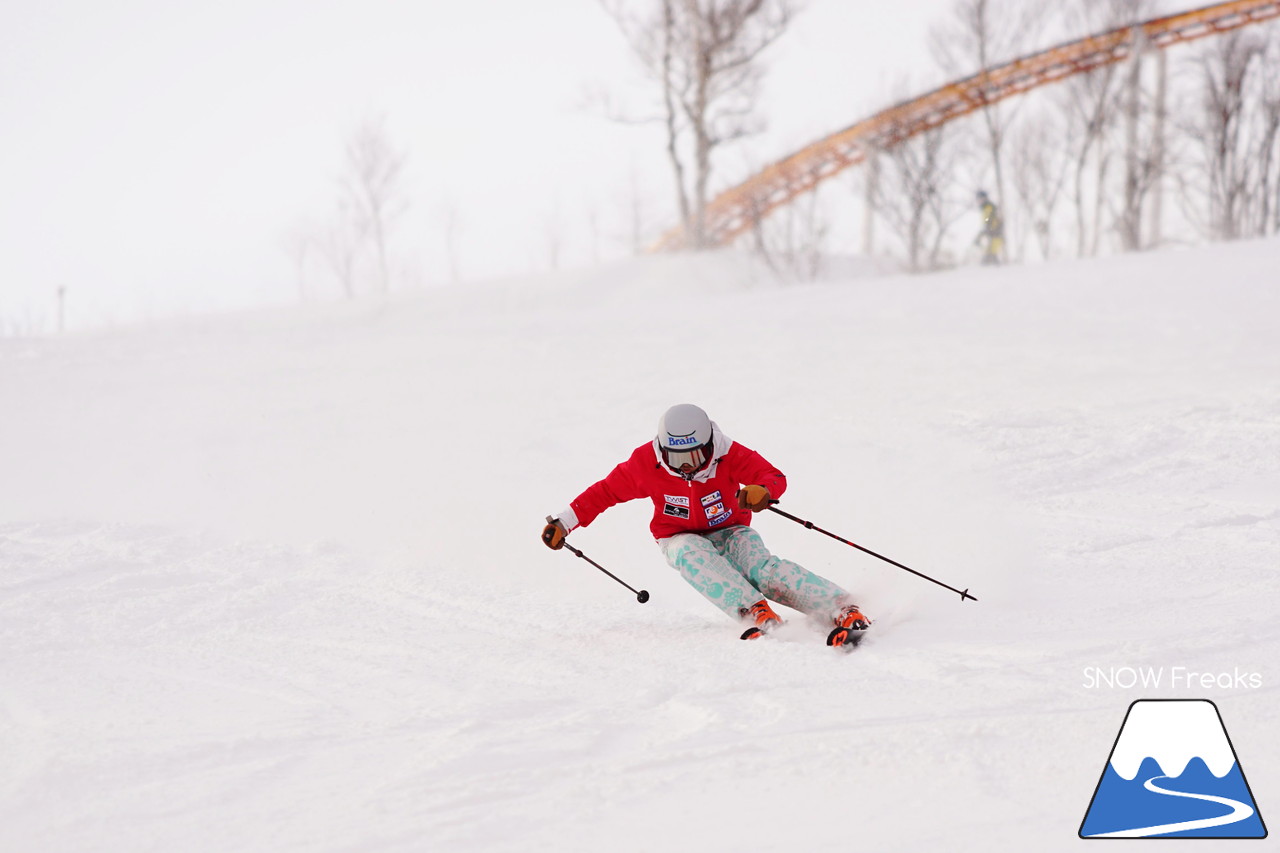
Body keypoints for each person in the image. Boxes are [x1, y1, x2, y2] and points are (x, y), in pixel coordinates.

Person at [541, 403, 870, 646]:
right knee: (690, 552)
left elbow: (773, 476)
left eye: (694, 457)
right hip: (677, 535)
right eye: (677, 458)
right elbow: (606, 491)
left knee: (762, 569)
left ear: (708, 445)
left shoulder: (728, 454)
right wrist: (565, 522)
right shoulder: (646, 463)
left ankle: (840, 607)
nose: (686, 467)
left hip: (732, 529)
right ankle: (755, 612)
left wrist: (763, 491)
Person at [974, 190, 1004, 266]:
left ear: (984, 198)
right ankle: (990, 263)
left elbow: (989, 218)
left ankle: (992, 265)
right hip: (993, 229)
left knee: (992, 250)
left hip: (994, 230)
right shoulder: (986, 207)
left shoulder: (988, 206)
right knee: (991, 249)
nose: (979, 201)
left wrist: (987, 224)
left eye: (980, 198)